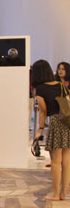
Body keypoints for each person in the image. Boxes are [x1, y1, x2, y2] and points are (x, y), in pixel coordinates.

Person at [33, 60, 70, 200]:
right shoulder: (61, 85)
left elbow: (43, 111)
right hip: (67, 122)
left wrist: (40, 130)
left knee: (55, 160)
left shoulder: (40, 89)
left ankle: (55, 194)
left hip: (55, 123)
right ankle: (63, 193)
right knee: (66, 161)